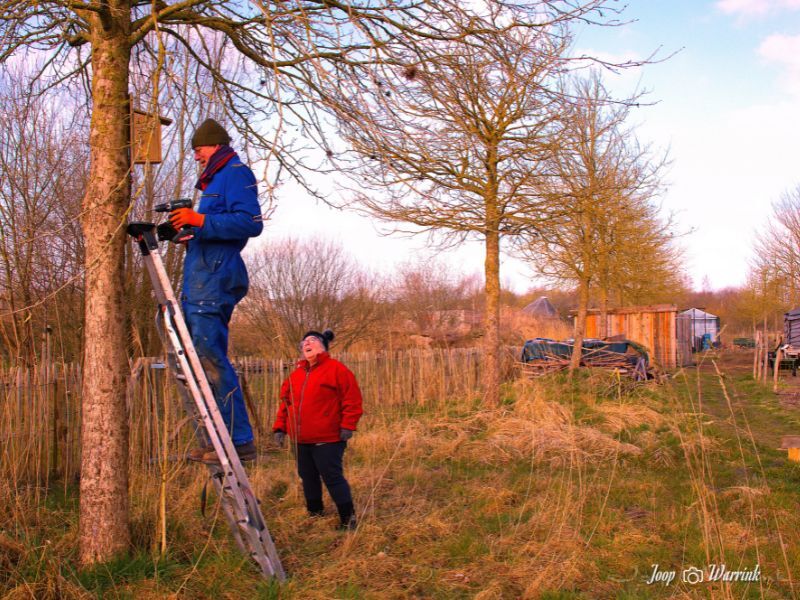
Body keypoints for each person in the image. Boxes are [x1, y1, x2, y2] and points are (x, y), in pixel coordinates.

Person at [172, 118, 263, 464]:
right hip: (202, 276)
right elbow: (216, 227)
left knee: (210, 358)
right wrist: (191, 232)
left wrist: (199, 221)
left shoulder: (235, 174)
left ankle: (239, 440)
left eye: (199, 150)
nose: (196, 157)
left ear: (215, 146)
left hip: (214, 278)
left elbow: (251, 223)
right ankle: (219, 439)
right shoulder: (217, 179)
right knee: (200, 359)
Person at [273, 330, 364, 530]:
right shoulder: (295, 376)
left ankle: (348, 519)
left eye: (313, 340)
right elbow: (285, 404)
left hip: (328, 437)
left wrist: (348, 425)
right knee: (307, 476)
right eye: (304, 341)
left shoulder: (337, 370)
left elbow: (352, 399)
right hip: (301, 439)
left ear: (323, 346)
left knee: (332, 477)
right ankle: (315, 513)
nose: (307, 343)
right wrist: (280, 428)